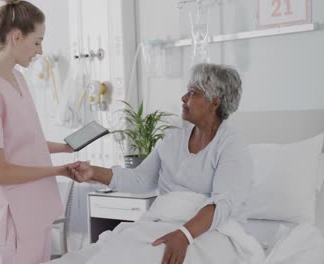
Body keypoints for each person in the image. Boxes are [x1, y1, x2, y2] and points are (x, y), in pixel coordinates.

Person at [71, 63, 253, 264]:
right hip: (163, 223)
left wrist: (184, 234)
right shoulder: (173, 138)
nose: (183, 98)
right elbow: (140, 180)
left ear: (214, 103)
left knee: (144, 257)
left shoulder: (231, 144)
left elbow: (223, 204)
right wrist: (92, 172)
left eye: (192, 93)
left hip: (209, 231)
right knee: (117, 252)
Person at [0, 1, 77, 263]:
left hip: (37, 207)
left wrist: (64, 148)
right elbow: (0, 172)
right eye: (37, 42)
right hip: (16, 215)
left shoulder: (18, 79)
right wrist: (59, 170)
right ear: (16, 37)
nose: (40, 51)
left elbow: (24, 141)